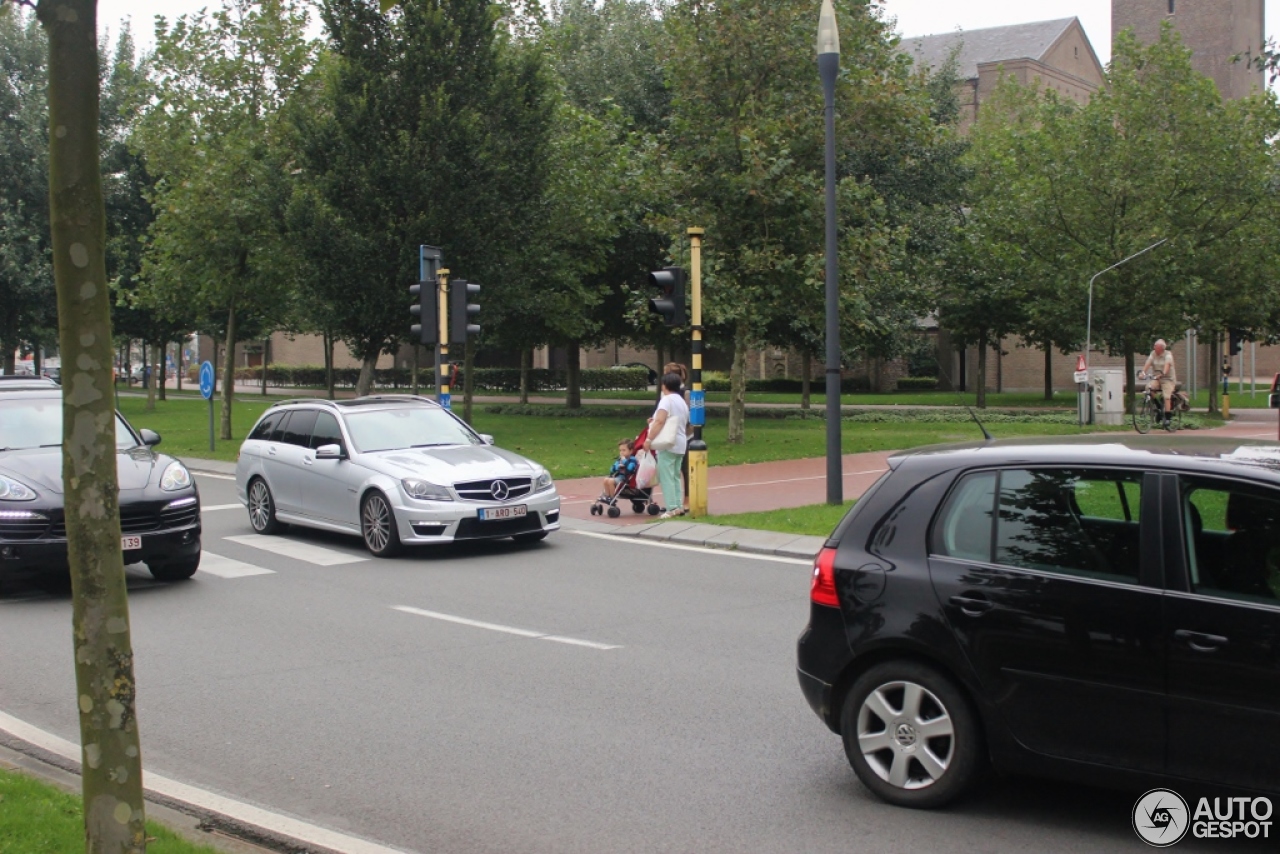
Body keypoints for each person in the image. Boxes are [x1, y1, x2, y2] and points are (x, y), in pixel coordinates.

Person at [644, 372, 690, 518]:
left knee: (666, 477)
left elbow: (660, 421)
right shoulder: (681, 401)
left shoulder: (666, 400)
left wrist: (649, 439)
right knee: (675, 475)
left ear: (664, 385)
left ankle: (671, 508)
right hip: (681, 442)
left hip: (667, 443)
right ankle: (678, 506)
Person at [1141, 339, 1177, 426]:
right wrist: (1143, 373)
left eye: (1155, 346)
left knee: (1166, 396)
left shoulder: (1168, 355)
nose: (1154, 347)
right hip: (1157, 379)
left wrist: (1163, 373)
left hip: (1168, 379)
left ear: (1161, 348)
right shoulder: (1153, 354)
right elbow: (1148, 363)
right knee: (1148, 388)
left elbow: (1167, 365)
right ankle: (1159, 407)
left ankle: (1168, 417)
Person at [599, 438, 639, 502]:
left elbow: (630, 469)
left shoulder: (632, 460)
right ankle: (607, 495)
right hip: (618, 477)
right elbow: (612, 468)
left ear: (631, 451)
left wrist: (624, 462)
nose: (621, 452)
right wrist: (616, 467)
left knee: (611, 481)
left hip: (625, 479)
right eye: (620, 450)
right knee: (605, 480)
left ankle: (612, 497)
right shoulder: (619, 459)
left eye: (624, 450)